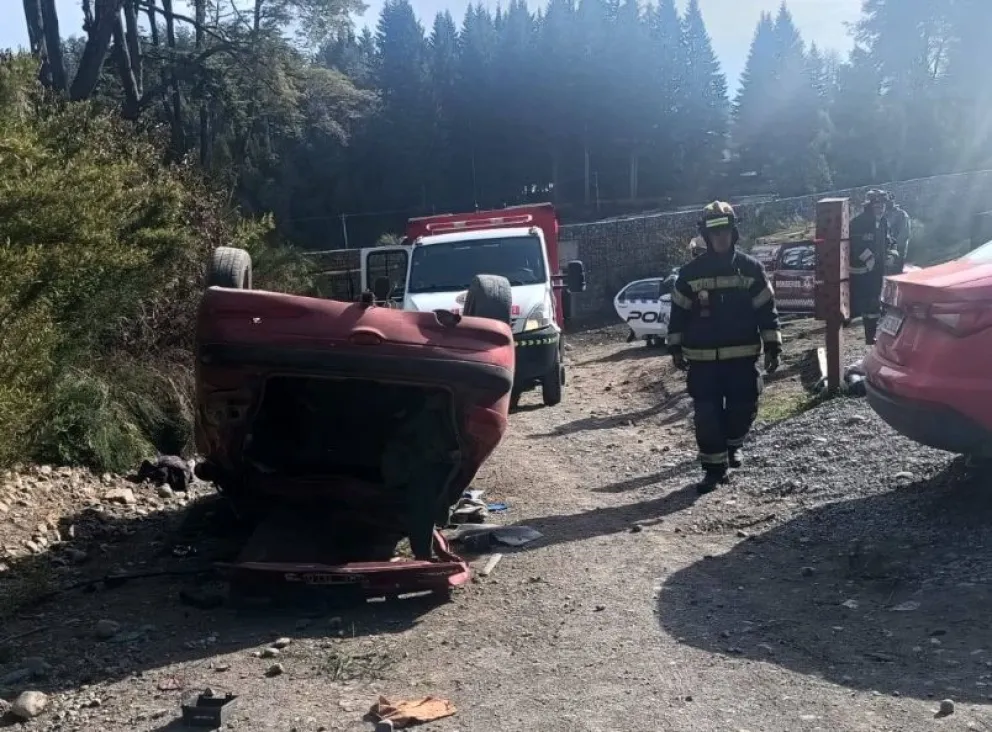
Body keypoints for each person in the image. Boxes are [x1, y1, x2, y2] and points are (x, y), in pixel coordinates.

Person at [667, 201, 783, 494]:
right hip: (703, 361)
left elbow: (766, 311)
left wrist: (773, 345)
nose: (720, 238)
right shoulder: (690, 273)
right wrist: (676, 348)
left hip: (742, 359)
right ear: (706, 236)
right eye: (714, 233)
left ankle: (733, 445)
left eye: (726, 231)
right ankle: (713, 471)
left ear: (734, 233)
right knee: (706, 415)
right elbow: (678, 314)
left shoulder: (751, 269)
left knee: (742, 409)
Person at [848, 190, 893, 344]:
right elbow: (854, 244)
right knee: (861, 302)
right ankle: (867, 334)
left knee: (874, 302)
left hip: (877, 270)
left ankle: (871, 336)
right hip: (860, 271)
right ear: (869, 206)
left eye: (883, 205)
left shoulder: (884, 222)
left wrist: (891, 253)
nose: (880, 208)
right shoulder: (858, 223)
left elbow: (887, 241)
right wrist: (868, 257)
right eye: (877, 205)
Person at [883, 192, 911, 273]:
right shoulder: (883, 214)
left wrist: (894, 248)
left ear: (892, 201)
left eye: (888, 201)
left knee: (895, 274)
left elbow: (904, 234)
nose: (886, 203)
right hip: (885, 251)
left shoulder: (901, 214)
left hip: (898, 251)